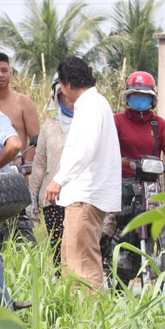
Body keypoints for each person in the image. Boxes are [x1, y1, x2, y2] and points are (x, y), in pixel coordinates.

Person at [44, 57, 121, 291]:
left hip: (85, 196)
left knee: (83, 266)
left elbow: (84, 150)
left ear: (67, 83)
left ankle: (93, 312)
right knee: (70, 264)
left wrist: (59, 179)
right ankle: (76, 311)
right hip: (81, 195)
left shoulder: (91, 105)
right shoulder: (94, 103)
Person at [31, 78, 72, 264]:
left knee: (78, 253)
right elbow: (40, 164)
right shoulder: (49, 125)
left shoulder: (90, 124)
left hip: (80, 199)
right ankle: (60, 282)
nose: (70, 100)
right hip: (53, 200)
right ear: (57, 97)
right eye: (65, 95)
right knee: (58, 254)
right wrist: (33, 198)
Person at [0, 51, 41, 163]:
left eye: (4, 70)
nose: (0, 75)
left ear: (10, 73)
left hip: (15, 169)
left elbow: (37, 141)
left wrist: (24, 165)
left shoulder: (23, 102)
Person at [114, 70, 165, 172]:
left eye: (144, 95)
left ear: (152, 99)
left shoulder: (159, 124)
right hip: (122, 180)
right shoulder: (117, 121)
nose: (139, 98)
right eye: (135, 94)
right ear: (127, 98)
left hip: (152, 179)